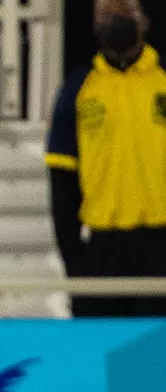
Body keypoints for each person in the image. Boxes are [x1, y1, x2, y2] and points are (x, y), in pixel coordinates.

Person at [46, 0, 166, 317]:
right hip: (101, 252)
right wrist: (74, 259)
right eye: (106, 15)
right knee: (102, 347)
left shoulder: (163, 81)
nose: (114, 21)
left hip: (160, 248)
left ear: (144, 21)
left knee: (156, 348)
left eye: (123, 12)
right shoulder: (78, 88)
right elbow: (62, 180)